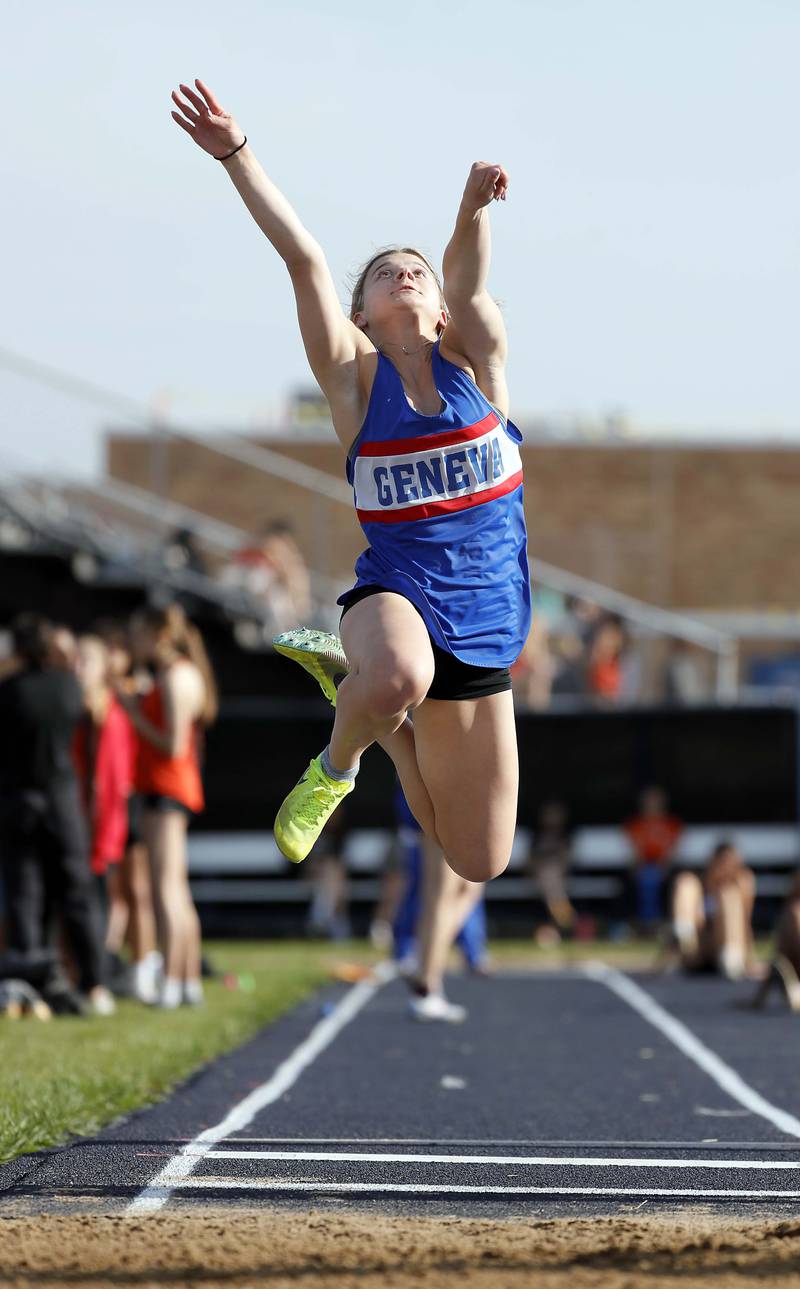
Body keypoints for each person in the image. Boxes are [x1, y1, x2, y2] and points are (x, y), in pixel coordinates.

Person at [171, 80, 531, 881]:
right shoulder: (354, 386)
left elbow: (469, 281)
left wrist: (472, 211)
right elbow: (304, 256)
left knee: (477, 858)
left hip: (487, 617)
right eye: (384, 274)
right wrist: (236, 152)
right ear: (360, 315)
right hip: (396, 596)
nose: (404, 275)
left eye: (417, 272)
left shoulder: (480, 364)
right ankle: (334, 767)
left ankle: (368, 710)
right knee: (402, 673)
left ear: (442, 312)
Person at [0, 614, 113, 1015]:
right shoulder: (69, 687)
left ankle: (28, 981)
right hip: (63, 799)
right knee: (78, 893)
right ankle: (95, 982)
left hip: (19, 800)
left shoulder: (10, 691)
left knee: (25, 894)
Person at [119, 604, 217, 1008]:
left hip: (168, 789)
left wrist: (132, 713)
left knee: (166, 889)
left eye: (138, 635)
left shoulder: (177, 676)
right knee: (175, 888)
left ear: (159, 635)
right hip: (170, 788)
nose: (132, 644)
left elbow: (172, 744)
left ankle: (174, 982)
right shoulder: (174, 675)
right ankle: (188, 978)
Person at [670, 840, 756, 980]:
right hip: (698, 948)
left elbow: (745, 923)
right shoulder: (698, 887)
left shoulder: (737, 886)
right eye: (721, 864)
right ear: (713, 862)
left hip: (727, 948)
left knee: (728, 894)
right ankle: (683, 932)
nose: (724, 869)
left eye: (731, 865)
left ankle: (731, 957)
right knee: (685, 881)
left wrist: (749, 958)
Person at [623, 786, 684, 932]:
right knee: (647, 876)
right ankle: (648, 924)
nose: (652, 804)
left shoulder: (672, 824)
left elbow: (673, 850)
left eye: (656, 800)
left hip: (664, 868)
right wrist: (637, 867)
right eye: (649, 800)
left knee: (651, 876)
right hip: (642, 867)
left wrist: (664, 867)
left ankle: (651, 924)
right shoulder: (634, 824)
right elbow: (634, 851)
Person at [528, 800, 576, 940]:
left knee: (550, 877)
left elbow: (565, 859)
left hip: (558, 875)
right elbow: (530, 860)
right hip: (539, 875)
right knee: (549, 878)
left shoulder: (565, 835)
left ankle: (559, 922)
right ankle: (565, 918)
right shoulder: (536, 836)